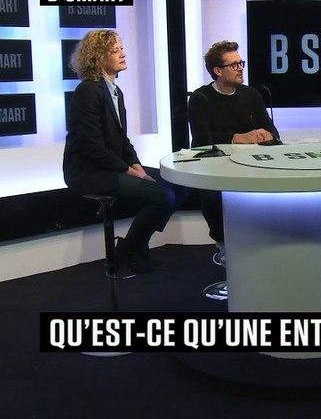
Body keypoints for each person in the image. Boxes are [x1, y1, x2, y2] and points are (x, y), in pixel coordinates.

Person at [63, 30, 188, 273]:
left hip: (113, 166)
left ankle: (131, 246)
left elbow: (122, 140)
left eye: (121, 48)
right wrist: (131, 172)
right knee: (162, 196)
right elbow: (92, 147)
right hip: (89, 172)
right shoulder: (87, 91)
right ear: (98, 57)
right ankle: (133, 249)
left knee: (179, 185)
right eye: (115, 50)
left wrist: (137, 165)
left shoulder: (115, 92)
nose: (123, 53)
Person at [187, 40, 280, 250]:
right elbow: (201, 140)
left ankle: (267, 244)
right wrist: (238, 137)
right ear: (218, 71)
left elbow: (272, 131)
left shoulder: (252, 94)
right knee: (212, 195)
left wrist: (267, 134)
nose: (240, 68)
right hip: (216, 168)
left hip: (253, 165)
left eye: (241, 63)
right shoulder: (200, 98)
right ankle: (224, 246)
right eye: (234, 64)